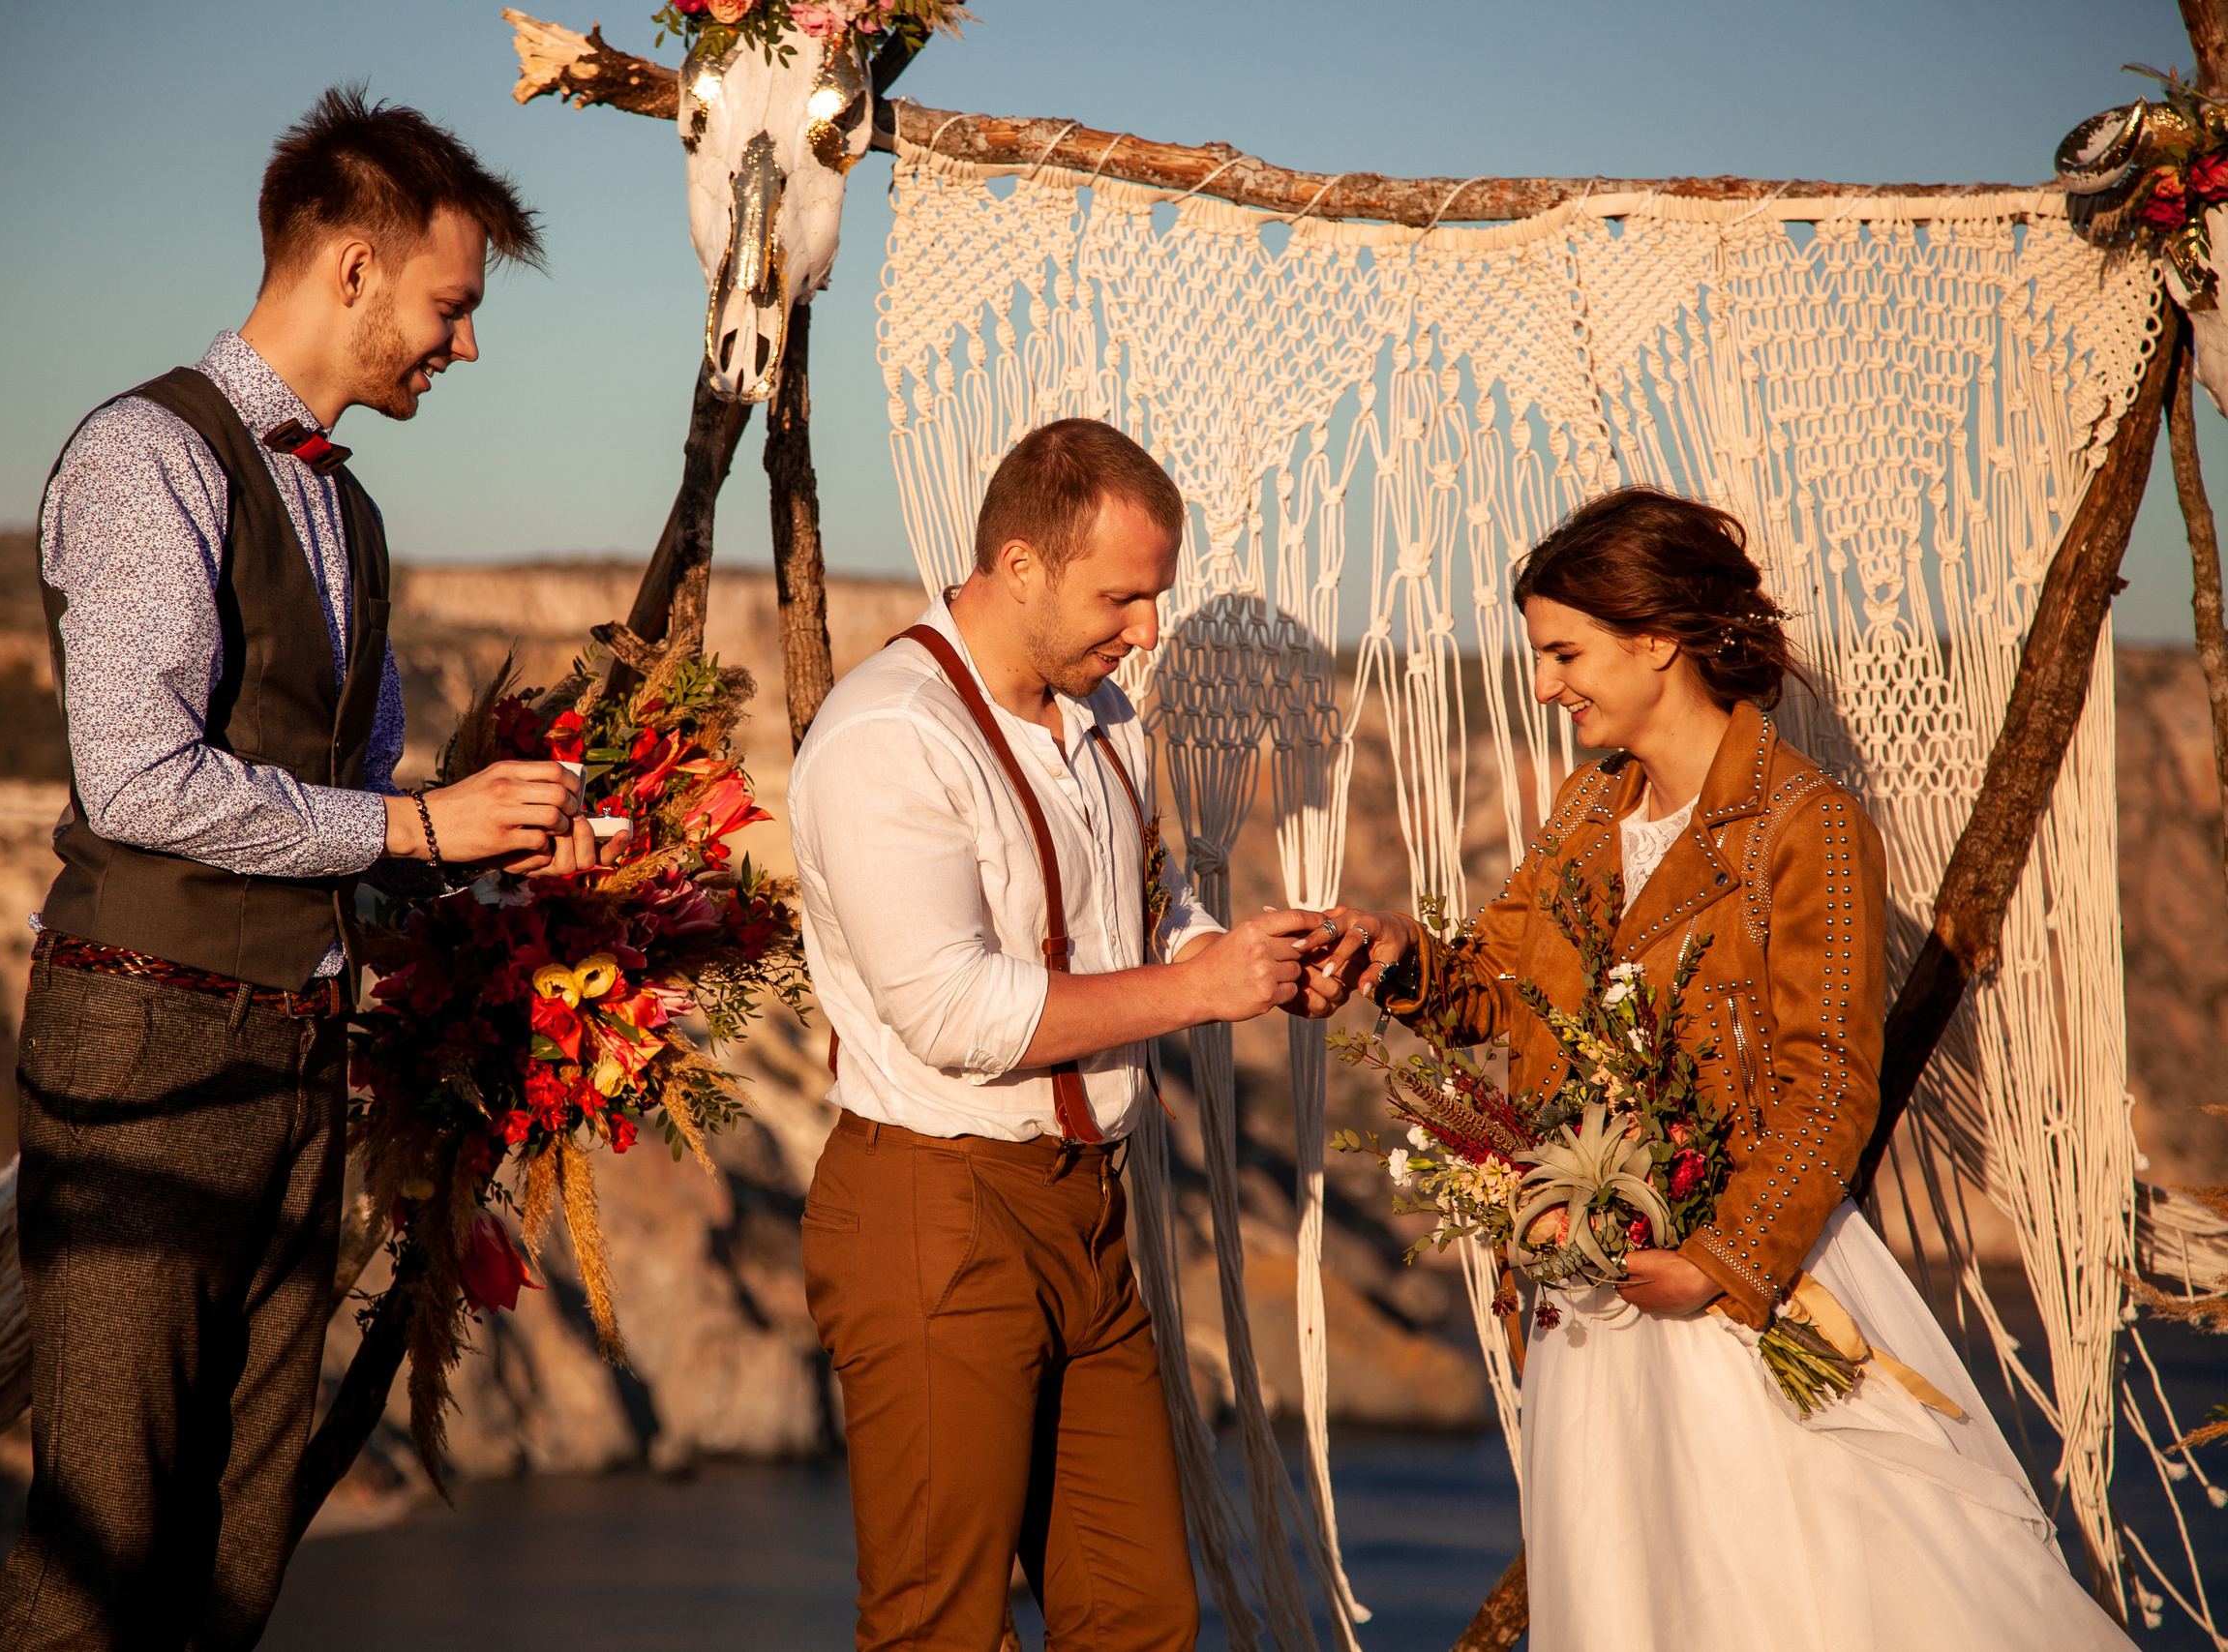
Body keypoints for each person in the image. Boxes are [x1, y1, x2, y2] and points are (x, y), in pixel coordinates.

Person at [0, 88, 605, 1652]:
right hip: (149, 1060)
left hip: (296, 1066)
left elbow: (353, 828)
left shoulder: (356, 513)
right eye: (452, 307)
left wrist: (512, 861)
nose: (466, 348)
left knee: (231, 1556)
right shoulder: (148, 456)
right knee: (100, 1552)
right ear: (350, 266)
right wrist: (418, 828)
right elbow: (138, 776)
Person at [1311, 487, 2136, 1650]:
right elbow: (1509, 1005)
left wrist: (1717, 1263)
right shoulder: (1587, 811)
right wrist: (1401, 960)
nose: (1545, 684)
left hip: (1743, 1294)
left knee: (1783, 1602)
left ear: (1654, 639)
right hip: (1595, 1301)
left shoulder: (1806, 823)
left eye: (1563, 652)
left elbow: (1829, 1078)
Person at [789, 418, 1337, 1652]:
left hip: (1092, 1210)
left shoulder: (1103, 722)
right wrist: (1200, 995)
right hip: (938, 1212)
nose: (1146, 632)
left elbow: (1143, 916)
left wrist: (1243, 956)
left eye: (1155, 598)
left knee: (1137, 1612)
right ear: (1020, 565)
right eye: (1123, 597)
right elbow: (952, 1014)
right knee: (938, 1622)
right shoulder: (892, 737)